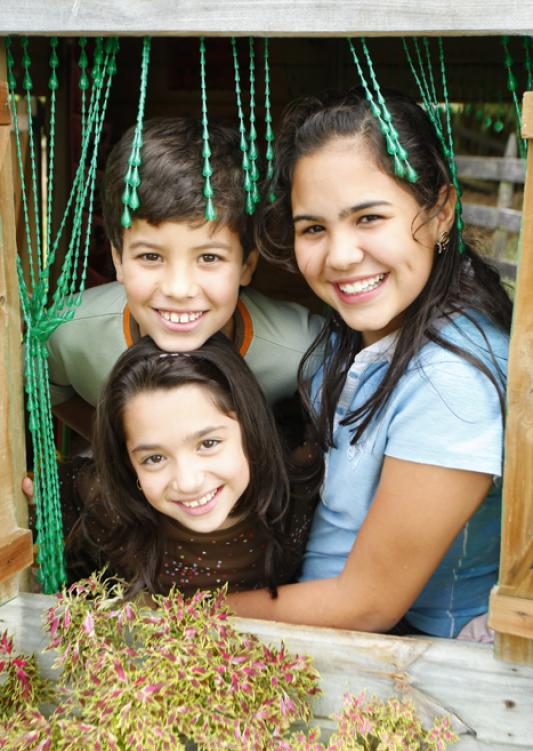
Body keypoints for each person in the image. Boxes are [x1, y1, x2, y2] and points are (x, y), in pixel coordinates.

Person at [227, 89, 512, 639]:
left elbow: (365, 606)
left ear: (440, 213)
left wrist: (174, 615)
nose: (339, 255)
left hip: (420, 663)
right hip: (328, 630)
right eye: (314, 228)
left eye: (369, 218)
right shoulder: (354, 335)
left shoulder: (453, 382)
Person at [47, 117, 323, 441]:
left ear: (247, 266)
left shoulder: (305, 350)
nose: (178, 289)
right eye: (151, 257)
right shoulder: (66, 335)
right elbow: (55, 393)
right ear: (118, 259)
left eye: (209, 258)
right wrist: (120, 454)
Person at [26, 334, 310, 597]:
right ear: (128, 462)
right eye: (154, 458)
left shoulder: (301, 493)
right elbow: (48, 492)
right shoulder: (110, 504)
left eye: (208, 444)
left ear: (251, 428)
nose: (188, 482)